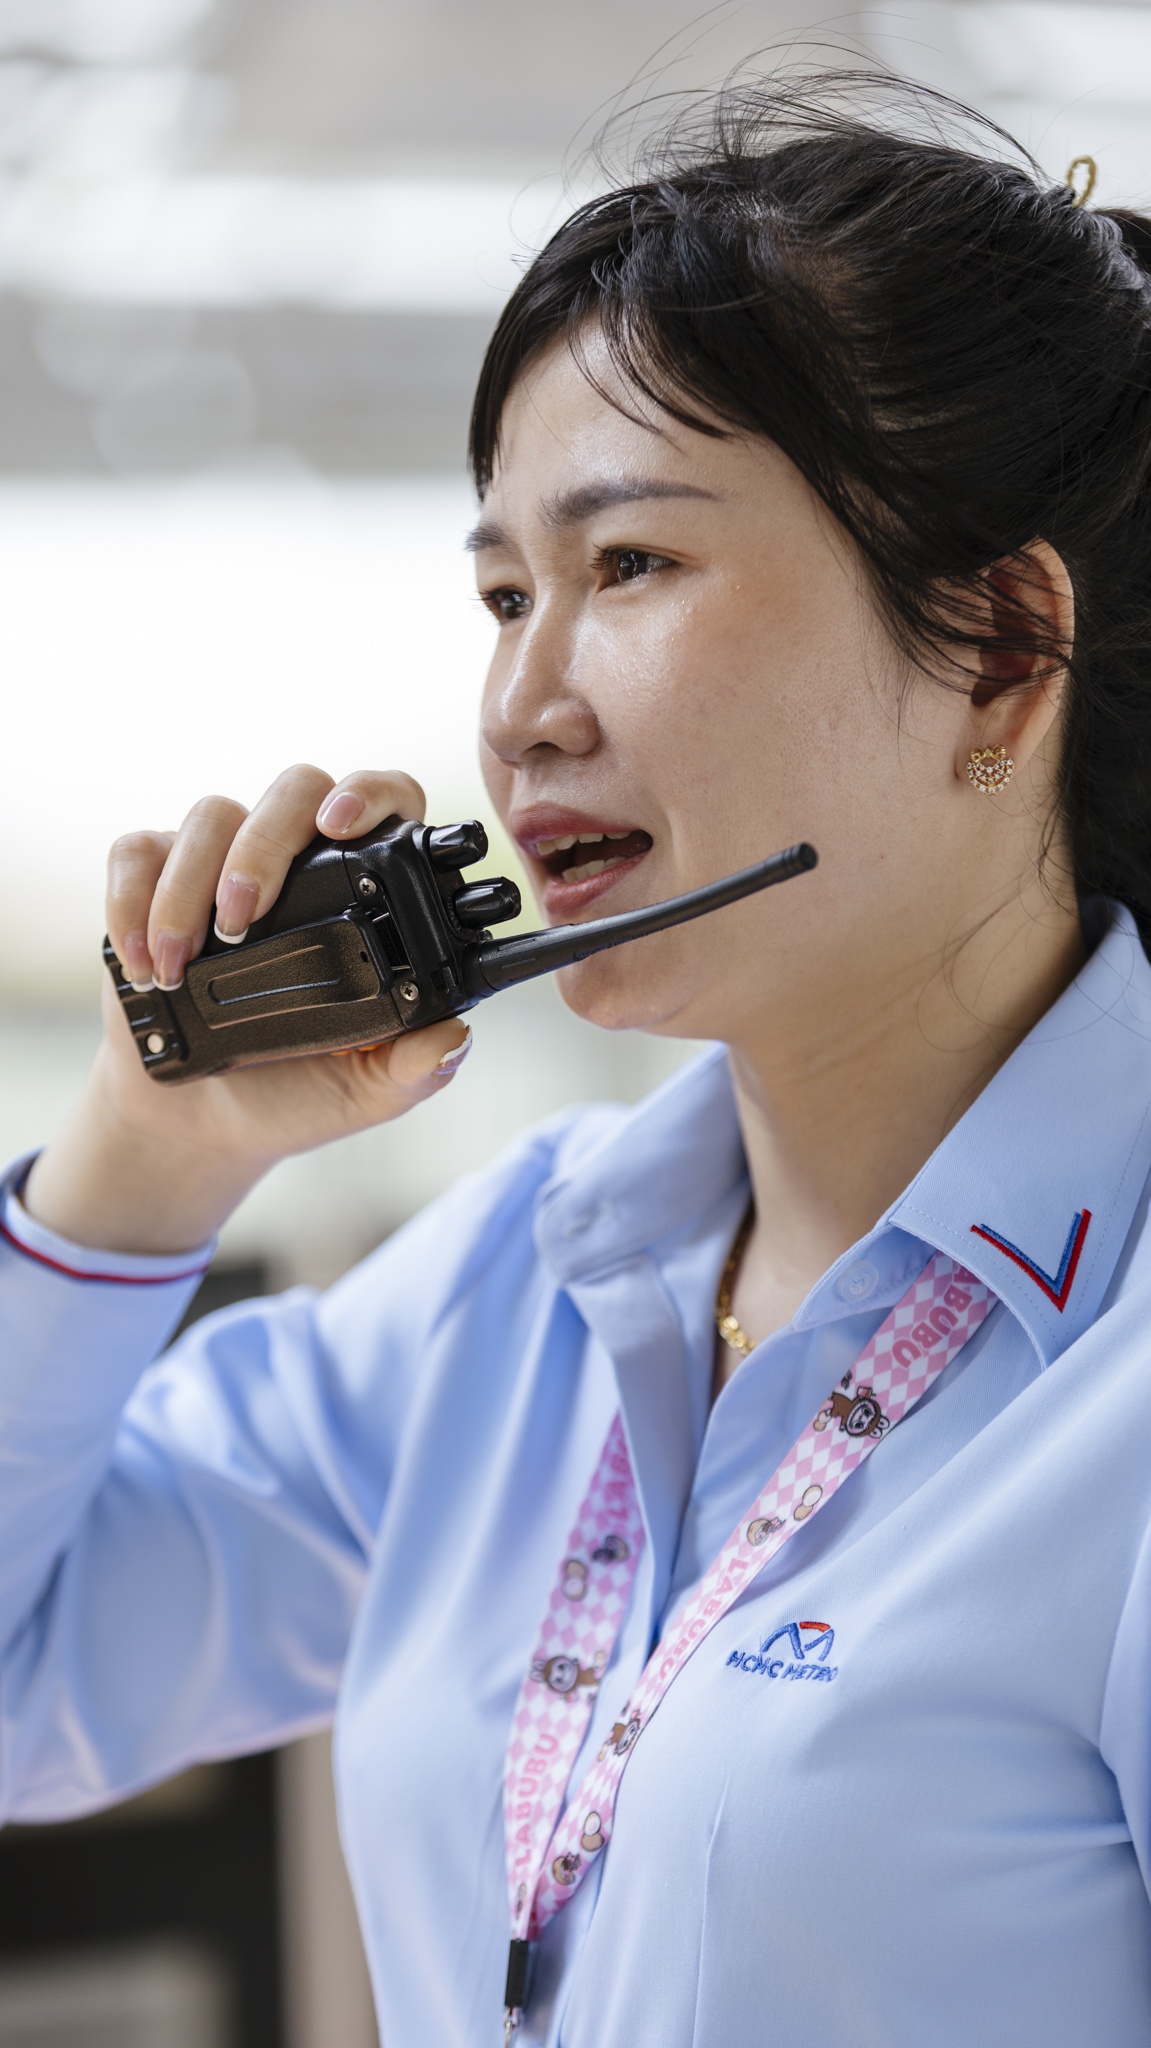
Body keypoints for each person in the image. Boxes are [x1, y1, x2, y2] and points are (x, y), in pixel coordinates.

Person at [3, 75, 1151, 2048]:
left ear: (997, 643)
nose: (522, 709)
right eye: (503, 596)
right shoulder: (513, 1287)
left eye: (627, 570)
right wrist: (147, 1142)